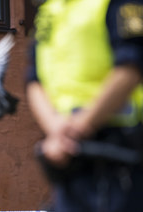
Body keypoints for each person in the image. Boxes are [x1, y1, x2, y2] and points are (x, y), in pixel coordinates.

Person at [25, 0, 143, 211]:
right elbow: (34, 80)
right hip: (71, 156)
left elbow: (131, 66)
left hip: (120, 151)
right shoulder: (49, 10)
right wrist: (55, 130)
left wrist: (76, 128)